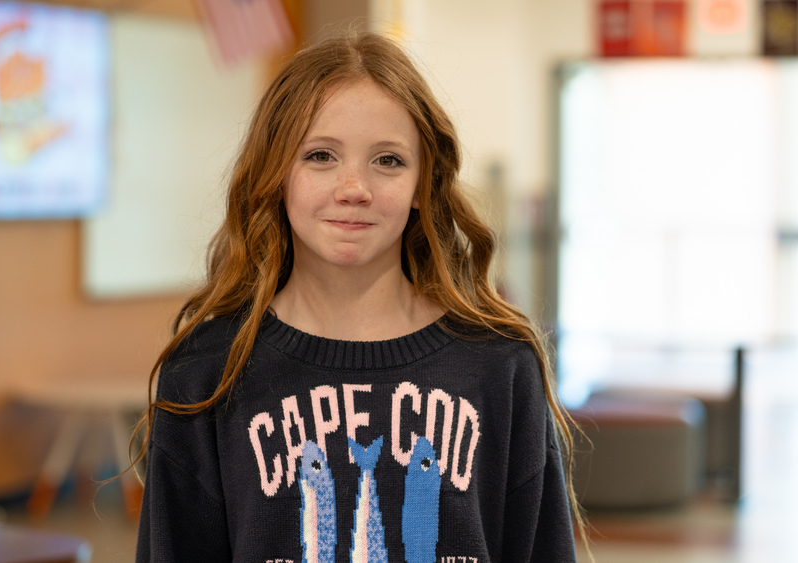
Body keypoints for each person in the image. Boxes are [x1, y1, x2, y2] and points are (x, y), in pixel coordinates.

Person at [134, 31, 583, 563]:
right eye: (321, 155)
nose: (355, 188)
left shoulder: (499, 366)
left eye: (388, 161)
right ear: (277, 173)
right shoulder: (207, 371)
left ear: (423, 185)